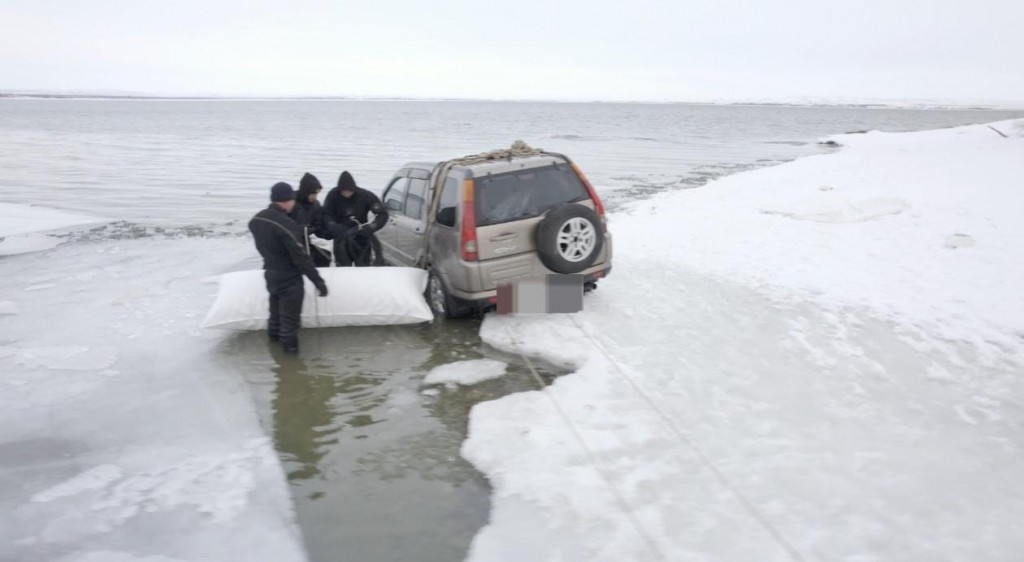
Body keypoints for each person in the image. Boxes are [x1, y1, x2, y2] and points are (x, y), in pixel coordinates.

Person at [248, 182, 329, 354]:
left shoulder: (257, 220)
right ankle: (291, 362)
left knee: (275, 318)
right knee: (290, 325)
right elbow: (301, 258)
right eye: (292, 199)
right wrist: (318, 282)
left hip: (270, 273)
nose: (294, 203)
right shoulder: (286, 224)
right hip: (289, 279)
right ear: (287, 201)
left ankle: (275, 354)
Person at [322, 170, 388, 266]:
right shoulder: (333, 195)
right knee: (343, 269)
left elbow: (383, 214)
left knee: (363, 268)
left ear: (353, 189)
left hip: (361, 237)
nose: (347, 194)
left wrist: (371, 227)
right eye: (344, 191)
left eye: (349, 191)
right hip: (341, 237)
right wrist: (332, 225)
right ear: (339, 190)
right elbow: (325, 214)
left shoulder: (365, 195)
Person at [290, 172, 332, 267]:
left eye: (317, 193)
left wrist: (327, 232)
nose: (315, 196)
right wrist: (305, 230)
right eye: (313, 193)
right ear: (306, 191)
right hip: (290, 243)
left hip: (306, 241)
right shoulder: (291, 203)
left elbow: (318, 225)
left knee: (325, 257)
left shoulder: (316, 205)